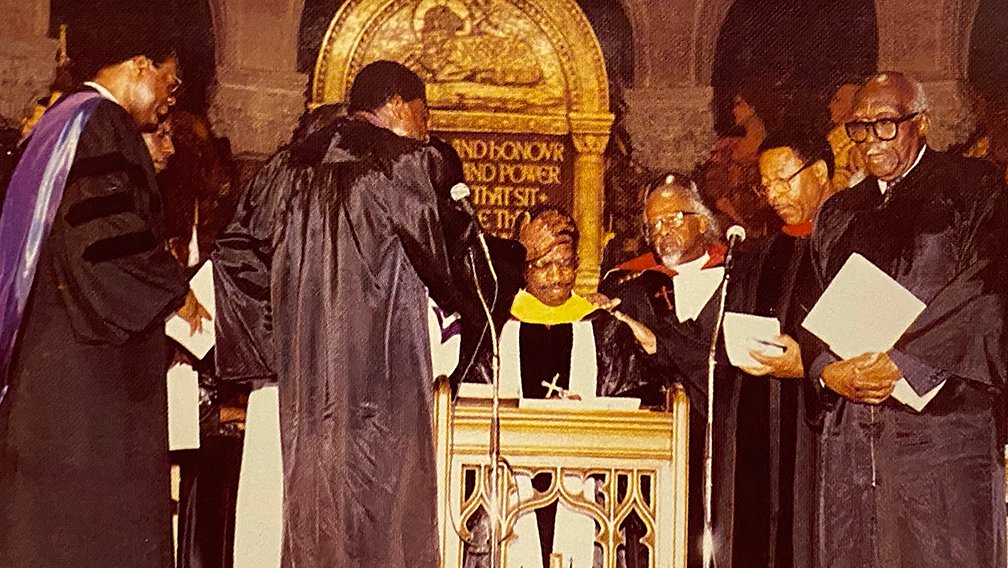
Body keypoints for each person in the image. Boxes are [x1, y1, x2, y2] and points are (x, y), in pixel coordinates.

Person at [212, 60, 474, 567]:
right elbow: (451, 265)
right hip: (388, 378)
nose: (427, 127)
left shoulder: (284, 168)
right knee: (388, 517)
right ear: (395, 105)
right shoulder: (405, 165)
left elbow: (234, 254)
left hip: (308, 389)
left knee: (317, 520)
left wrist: (278, 348)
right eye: (423, 113)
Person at [0, 20, 207, 568]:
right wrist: (173, 292)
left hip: (52, 358)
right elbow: (102, 240)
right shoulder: (102, 125)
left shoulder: (62, 121)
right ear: (139, 67)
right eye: (171, 82)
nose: (168, 104)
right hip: (85, 382)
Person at [803, 71, 1008, 567]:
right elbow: (807, 309)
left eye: (887, 124)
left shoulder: (976, 188)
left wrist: (904, 362)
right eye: (860, 127)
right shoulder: (838, 212)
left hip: (942, 432)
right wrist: (827, 370)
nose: (871, 139)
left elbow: (987, 289)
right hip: (852, 436)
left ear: (922, 122)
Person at [463, 205, 654, 568]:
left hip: (586, 486)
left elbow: (630, 410)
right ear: (524, 268)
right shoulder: (495, 326)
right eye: (543, 265)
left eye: (566, 264)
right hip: (508, 482)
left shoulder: (603, 329)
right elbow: (474, 401)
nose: (556, 276)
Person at [602, 174, 739, 567]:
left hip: (723, 437)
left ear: (702, 220)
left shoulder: (737, 276)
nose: (663, 232)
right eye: (654, 225)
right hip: (657, 450)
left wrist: (660, 344)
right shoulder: (630, 287)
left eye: (674, 219)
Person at [723, 129, 838, 568]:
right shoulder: (763, 252)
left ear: (821, 172)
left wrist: (806, 363)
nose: (772, 195)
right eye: (766, 185)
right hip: (762, 429)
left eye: (783, 180)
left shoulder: (849, 242)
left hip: (819, 428)